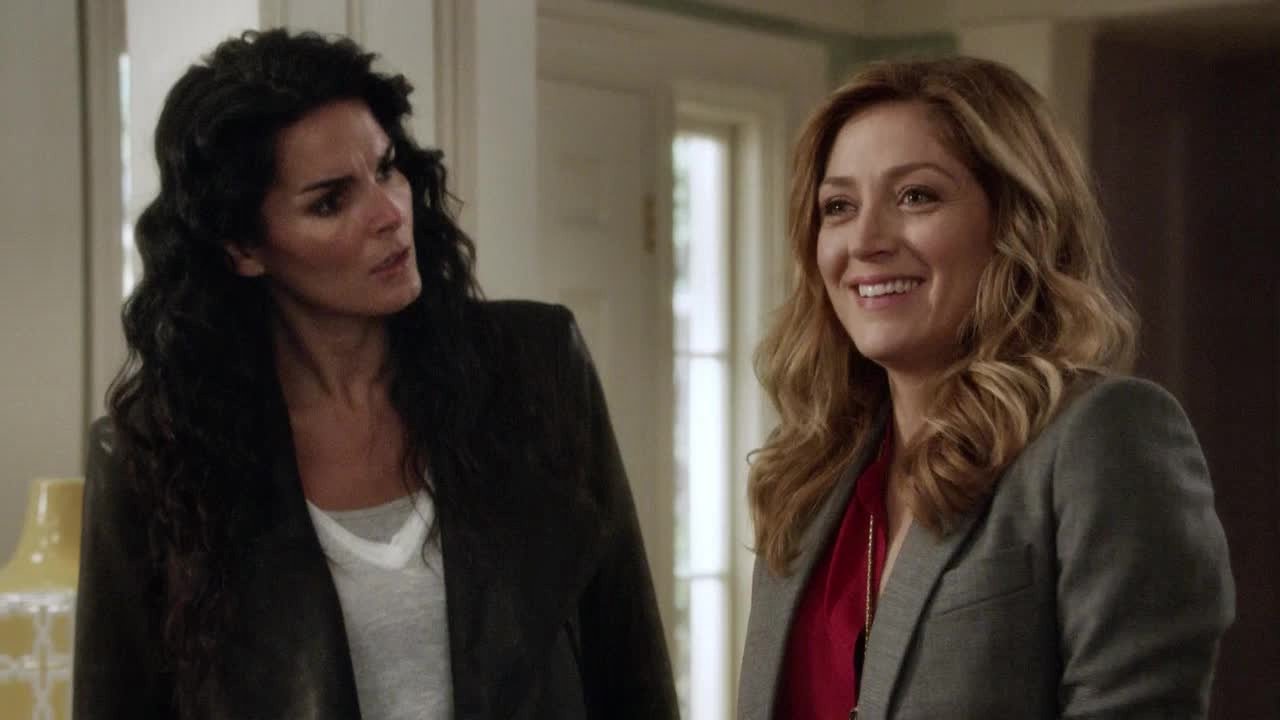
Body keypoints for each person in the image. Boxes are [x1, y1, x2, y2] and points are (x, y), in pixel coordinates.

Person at [73, 29, 677, 720]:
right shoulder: (156, 453)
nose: (390, 214)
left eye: (387, 169)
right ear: (243, 247)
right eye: (330, 202)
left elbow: (629, 663)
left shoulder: (535, 371)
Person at [737, 57, 1234, 719]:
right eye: (839, 207)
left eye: (916, 196)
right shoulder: (806, 473)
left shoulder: (1106, 436)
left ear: (1014, 222)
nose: (865, 240)